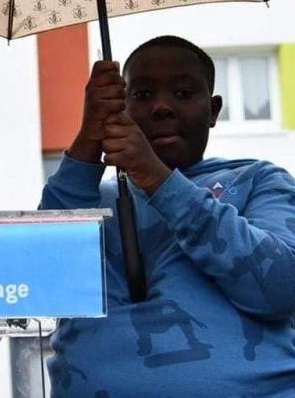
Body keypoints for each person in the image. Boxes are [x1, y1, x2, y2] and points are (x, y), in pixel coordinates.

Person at [40, 35, 295, 396]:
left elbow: (282, 288)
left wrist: (158, 180)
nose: (162, 107)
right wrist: (87, 143)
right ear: (120, 110)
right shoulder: (86, 199)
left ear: (214, 110)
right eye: (141, 95)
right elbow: (43, 282)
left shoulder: (257, 179)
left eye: (185, 93)